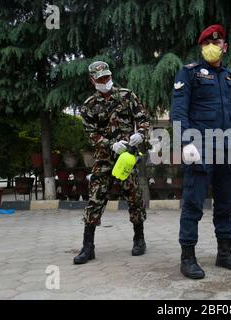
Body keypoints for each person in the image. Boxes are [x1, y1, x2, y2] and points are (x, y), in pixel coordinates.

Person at [170, 24, 231, 279]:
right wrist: (185, 143)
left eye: (217, 44)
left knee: (226, 204)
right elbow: (178, 111)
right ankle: (188, 258)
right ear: (201, 47)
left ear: (224, 47)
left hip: (228, 148)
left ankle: (224, 253)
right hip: (200, 147)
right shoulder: (189, 74)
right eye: (207, 44)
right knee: (193, 204)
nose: (212, 47)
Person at [73, 61, 150, 264]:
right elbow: (91, 134)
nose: (105, 82)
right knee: (96, 198)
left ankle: (139, 239)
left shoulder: (127, 95)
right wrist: (110, 144)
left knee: (133, 196)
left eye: (107, 77)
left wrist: (140, 135)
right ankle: (88, 246)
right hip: (104, 158)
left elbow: (143, 118)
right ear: (92, 81)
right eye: (100, 79)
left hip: (127, 157)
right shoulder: (89, 105)